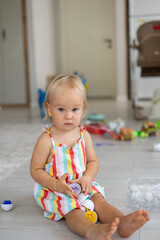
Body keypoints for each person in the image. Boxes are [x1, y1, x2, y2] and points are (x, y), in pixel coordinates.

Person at [30, 74, 150, 240]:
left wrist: (87, 178)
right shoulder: (46, 140)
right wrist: (56, 184)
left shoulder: (84, 135)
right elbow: (35, 170)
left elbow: (93, 161)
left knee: (99, 201)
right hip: (57, 189)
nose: (69, 116)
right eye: (61, 109)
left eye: (74, 109)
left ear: (83, 108)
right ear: (49, 109)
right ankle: (90, 230)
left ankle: (122, 222)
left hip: (82, 182)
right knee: (73, 210)